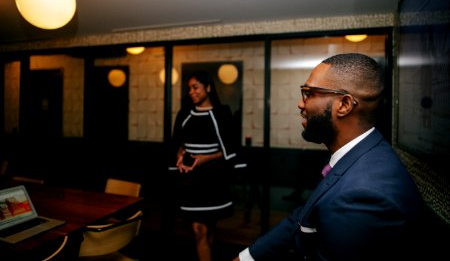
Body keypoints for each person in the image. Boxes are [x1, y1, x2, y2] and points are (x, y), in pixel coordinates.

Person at [233, 53, 426, 261]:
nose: (300, 103)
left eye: (309, 93)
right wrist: (248, 257)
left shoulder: (364, 194)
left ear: (344, 105)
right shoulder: (361, 153)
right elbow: (302, 216)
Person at [171, 70, 238, 261]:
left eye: (195, 87)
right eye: (189, 89)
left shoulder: (222, 113)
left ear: (208, 88)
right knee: (199, 229)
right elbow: (178, 142)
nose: (191, 92)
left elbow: (230, 148)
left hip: (213, 178)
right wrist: (180, 154)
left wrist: (205, 158)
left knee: (209, 228)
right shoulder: (184, 114)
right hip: (192, 178)